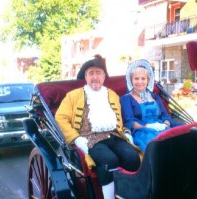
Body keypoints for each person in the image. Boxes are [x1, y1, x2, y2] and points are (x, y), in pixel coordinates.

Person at [55, 54, 141, 199]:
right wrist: (75, 138)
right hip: (90, 139)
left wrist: (126, 132)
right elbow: (61, 117)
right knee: (109, 160)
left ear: (104, 76)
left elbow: (118, 119)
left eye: (98, 73)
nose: (95, 77)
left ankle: (126, 194)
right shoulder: (73, 95)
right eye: (91, 73)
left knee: (133, 157)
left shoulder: (112, 94)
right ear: (86, 77)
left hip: (114, 136)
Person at [120, 59, 180, 151]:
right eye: (136, 78)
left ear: (148, 80)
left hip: (162, 127)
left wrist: (164, 125)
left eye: (143, 78)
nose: (140, 82)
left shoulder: (155, 97)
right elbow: (129, 121)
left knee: (184, 134)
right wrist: (148, 126)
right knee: (156, 145)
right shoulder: (126, 99)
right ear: (131, 80)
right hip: (142, 132)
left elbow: (165, 115)